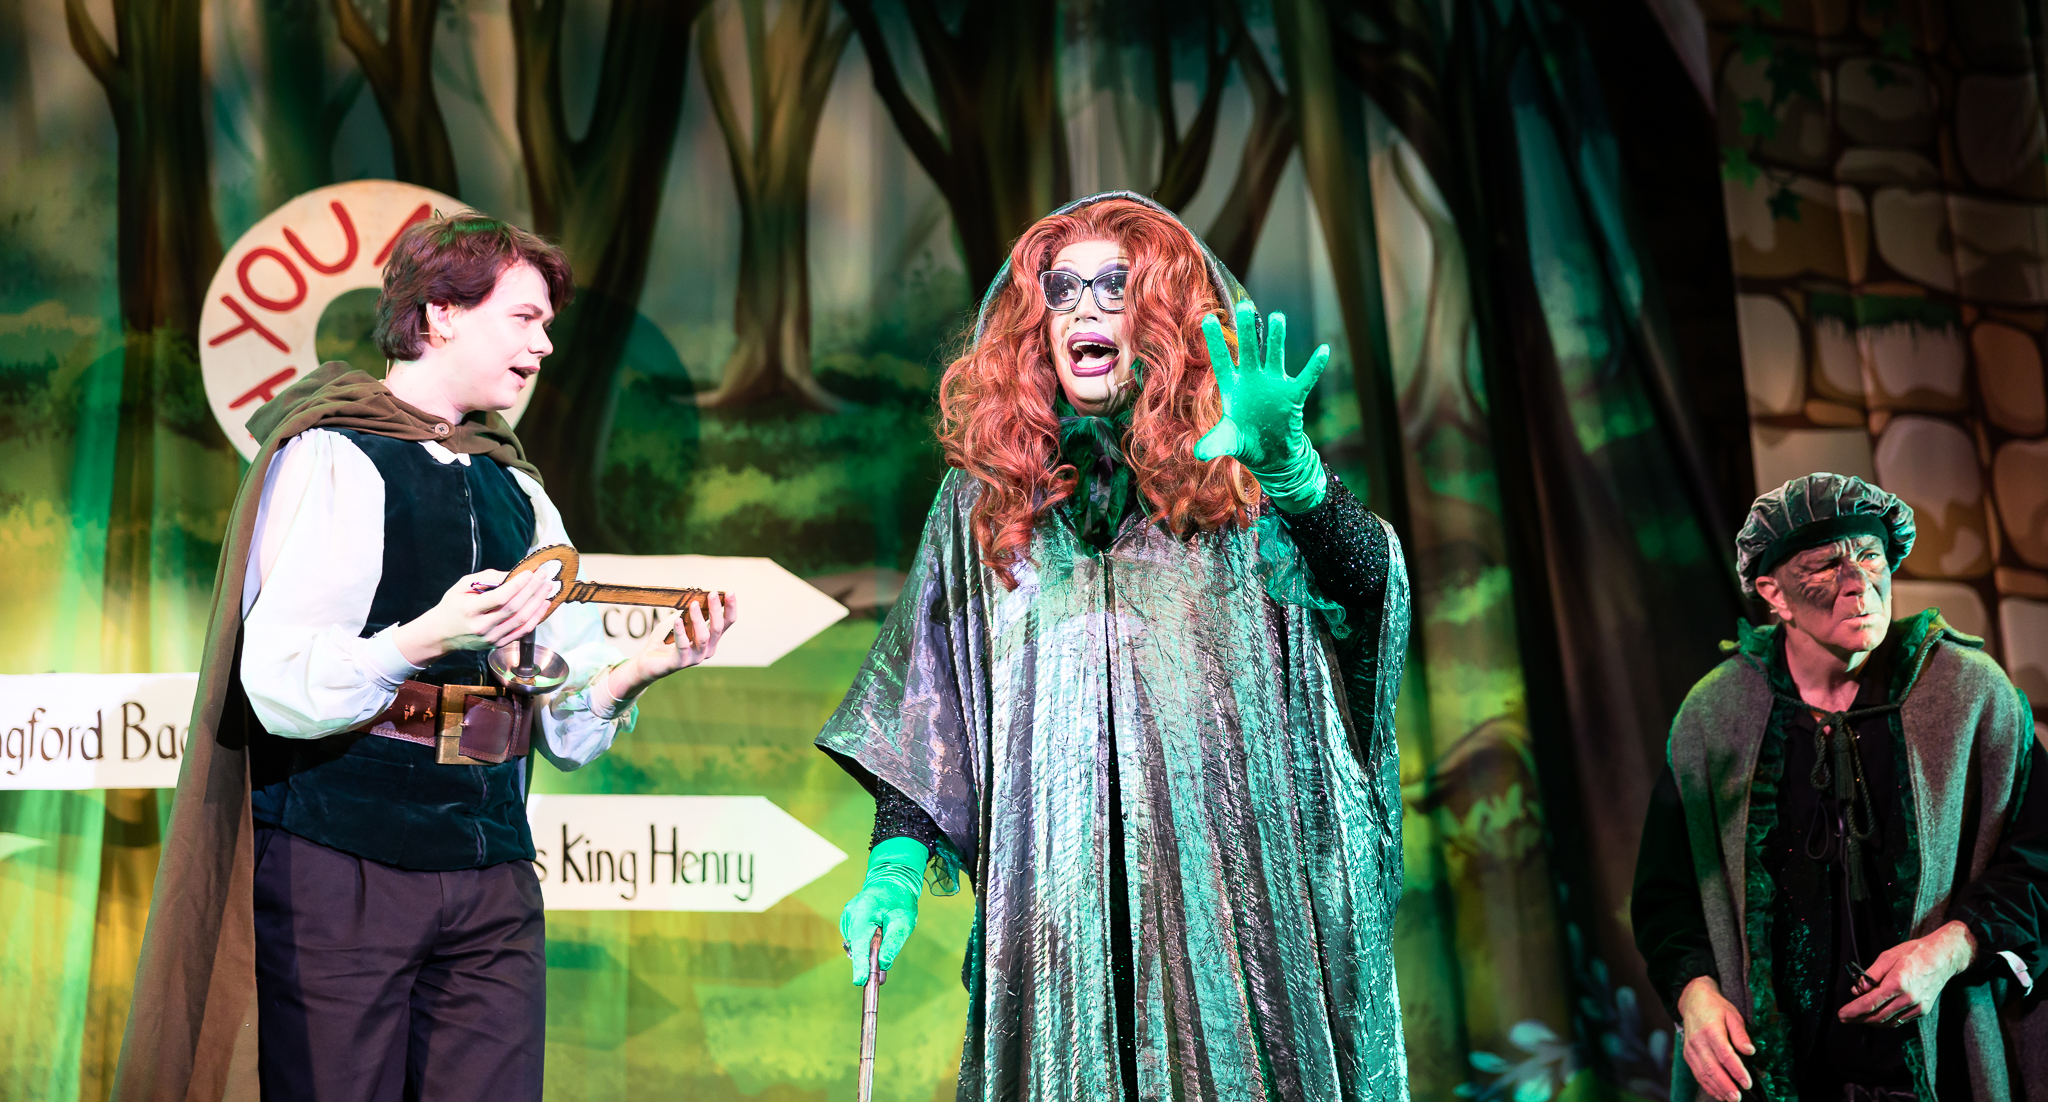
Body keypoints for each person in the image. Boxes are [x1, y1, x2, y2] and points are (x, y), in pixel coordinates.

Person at [114, 214, 735, 1102]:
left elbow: (558, 719)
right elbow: (279, 683)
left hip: (491, 871)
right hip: (343, 859)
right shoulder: (334, 454)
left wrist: (638, 670)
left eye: (547, 324)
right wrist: (428, 634)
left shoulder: (517, 489)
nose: (544, 345)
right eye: (524, 318)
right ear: (442, 314)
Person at [817, 191, 1411, 1101]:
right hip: (1053, 939)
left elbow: (1366, 598)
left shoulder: (1237, 480)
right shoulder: (989, 504)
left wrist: (1298, 479)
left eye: (1115, 286)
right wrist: (895, 864)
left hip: (1227, 939)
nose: (1085, 306)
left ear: (1160, 317)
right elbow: (930, 695)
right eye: (1061, 288)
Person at [1631, 472, 2048, 1102]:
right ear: (1773, 592)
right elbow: (1668, 895)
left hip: (1941, 1067)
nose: (1858, 583)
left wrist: (1949, 948)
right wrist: (1695, 994)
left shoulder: (1969, 694)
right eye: (1826, 566)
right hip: (1776, 1077)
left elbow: (2039, 856)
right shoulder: (1715, 717)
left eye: (1870, 557)